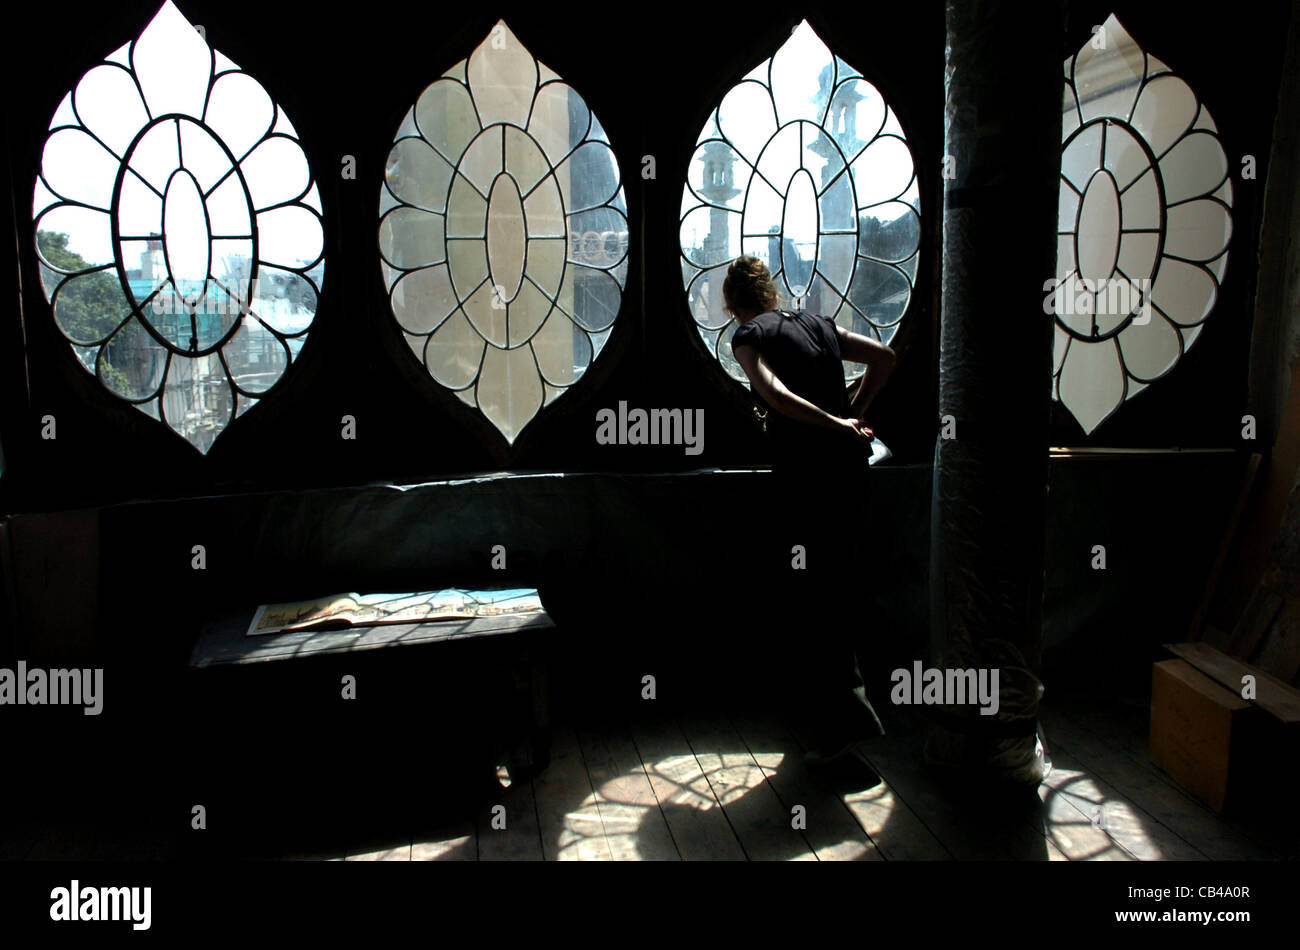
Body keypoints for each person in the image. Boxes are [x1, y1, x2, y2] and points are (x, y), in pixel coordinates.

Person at [723, 255, 897, 768]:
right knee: (838, 593)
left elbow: (774, 395)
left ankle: (838, 729)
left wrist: (831, 423)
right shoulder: (816, 322)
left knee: (812, 599)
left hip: (806, 481)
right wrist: (851, 414)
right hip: (849, 477)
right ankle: (842, 722)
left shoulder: (749, 337)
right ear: (770, 291)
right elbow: (885, 357)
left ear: (733, 303)